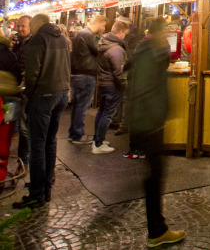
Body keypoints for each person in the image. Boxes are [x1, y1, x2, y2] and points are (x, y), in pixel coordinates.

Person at [128, 17, 185, 248]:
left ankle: (158, 228)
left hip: (147, 121)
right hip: (149, 122)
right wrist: (156, 118)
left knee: (154, 175)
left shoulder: (148, 51)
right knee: (155, 176)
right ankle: (157, 231)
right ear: (160, 32)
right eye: (166, 32)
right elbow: (145, 89)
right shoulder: (150, 53)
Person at [12, 14, 70, 209]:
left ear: (36, 24)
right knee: (50, 142)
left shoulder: (39, 38)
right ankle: (46, 189)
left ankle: (37, 194)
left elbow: (32, 71)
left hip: (44, 95)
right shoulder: (61, 37)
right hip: (61, 94)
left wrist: (28, 91)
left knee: (37, 144)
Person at [68, 14, 107, 145]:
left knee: (76, 105)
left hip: (77, 74)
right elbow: (98, 50)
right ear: (97, 23)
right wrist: (102, 40)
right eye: (103, 25)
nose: (103, 28)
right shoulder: (89, 35)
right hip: (86, 74)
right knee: (82, 106)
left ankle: (72, 133)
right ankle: (78, 135)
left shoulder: (81, 33)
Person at [92, 20, 129, 153]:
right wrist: (124, 85)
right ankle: (98, 144)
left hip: (102, 83)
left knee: (102, 112)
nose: (125, 36)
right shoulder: (116, 49)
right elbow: (119, 72)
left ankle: (97, 139)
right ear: (120, 32)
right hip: (112, 85)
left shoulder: (104, 43)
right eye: (124, 33)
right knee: (107, 114)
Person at [13, 14, 32, 172]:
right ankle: (22, 160)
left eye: (23, 26)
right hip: (18, 89)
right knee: (21, 127)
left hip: (27, 91)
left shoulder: (32, 44)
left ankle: (24, 161)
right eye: (18, 26)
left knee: (24, 128)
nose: (20, 29)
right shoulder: (19, 44)